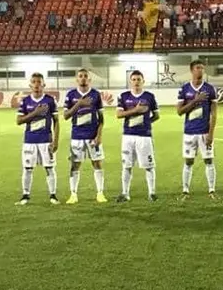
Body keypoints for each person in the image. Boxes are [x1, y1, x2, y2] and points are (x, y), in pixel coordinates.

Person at [15, 73, 60, 205]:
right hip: (29, 141)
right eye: (34, 82)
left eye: (39, 82)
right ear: (30, 85)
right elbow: (18, 121)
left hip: (46, 141)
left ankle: (53, 195)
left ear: (43, 84)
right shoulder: (25, 101)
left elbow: (56, 121)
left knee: (49, 168)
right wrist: (35, 113)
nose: (36, 84)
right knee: (28, 168)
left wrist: (56, 141)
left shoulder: (50, 100)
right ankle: (25, 195)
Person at [63, 69, 107, 204]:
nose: (83, 78)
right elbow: (65, 116)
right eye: (80, 76)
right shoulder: (71, 95)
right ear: (77, 79)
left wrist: (99, 136)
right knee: (75, 165)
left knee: (97, 163)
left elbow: (101, 119)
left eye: (85, 76)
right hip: (77, 136)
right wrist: (79, 104)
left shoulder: (95, 94)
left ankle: (100, 193)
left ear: (89, 79)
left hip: (92, 137)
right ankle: (73, 194)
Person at [177, 60, 218, 200]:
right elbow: (179, 111)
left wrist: (211, 134)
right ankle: (185, 191)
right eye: (197, 68)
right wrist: (195, 100)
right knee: (188, 162)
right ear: (191, 70)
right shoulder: (184, 89)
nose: (200, 70)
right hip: (189, 132)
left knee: (209, 161)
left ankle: (212, 190)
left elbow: (214, 114)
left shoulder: (210, 89)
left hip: (204, 132)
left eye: (202, 68)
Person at [116, 70, 160, 202]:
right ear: (130, 81)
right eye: (134, 79)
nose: (136, 82)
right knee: (126, 166)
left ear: (143, 81)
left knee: (149, 166)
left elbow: (156, 115)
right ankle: (125, 193)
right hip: (128, 136)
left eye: (139, 79)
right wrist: (135, 110)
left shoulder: (149, 97)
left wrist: (146, 123)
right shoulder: (123, 96)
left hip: (144, 136)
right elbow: (119, 114)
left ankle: (152, 193)